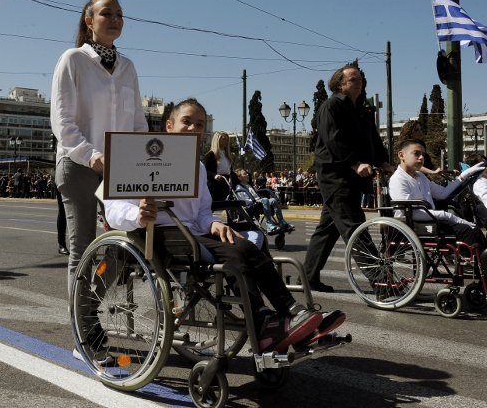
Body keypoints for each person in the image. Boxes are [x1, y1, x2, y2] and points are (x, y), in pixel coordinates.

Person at [104, 98, 344, 352]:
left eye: (199, 124)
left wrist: (213, 224)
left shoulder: (196, 167)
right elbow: (113, 210)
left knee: (247, 244)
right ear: (169, 126)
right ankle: (262, 320)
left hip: (192, 233)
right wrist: (138, 215)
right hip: (158, 234)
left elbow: (201, 213)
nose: (193, 128)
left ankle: (294, 314)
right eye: (186, 122)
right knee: (235, 254)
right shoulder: (135, 156)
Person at [51, 0, 149, 290]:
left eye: (119, 14)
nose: (115, 19)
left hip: (119, 168)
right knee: (82, 248)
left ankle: (95, 296)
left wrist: (143, 159)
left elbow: (138, 123)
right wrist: (91, 155)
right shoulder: (73, 59)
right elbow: (62, 120)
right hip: (78, 163)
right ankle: (84, 317)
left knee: (131, 239)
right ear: (89, 20)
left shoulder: (128, 67)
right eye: (107, 13)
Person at [303, 63, 392, 292]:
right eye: (353, 79)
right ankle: (381, 281)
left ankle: (308, 277)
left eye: (360, 79)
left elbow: (373, 139)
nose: (359, 82)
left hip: (352, 176)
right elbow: (334, 139)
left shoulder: (362, 109)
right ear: (340, 84)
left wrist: (384, 161)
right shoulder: (331, 106)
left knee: (327, 229)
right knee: (355, 226)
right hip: (336, 176)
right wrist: (355, 163)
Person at [388, 139, 487, 250]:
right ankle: (475, 259)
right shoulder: (398, 179)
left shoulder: (421, 176)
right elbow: (411, 213)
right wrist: (448, 216)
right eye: (416, 153)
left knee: (474, 229)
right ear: (401, 155)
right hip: (414, 224)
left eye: (423, 155)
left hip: (430, 221)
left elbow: (442, 193)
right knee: (468, 231)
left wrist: (464, 176)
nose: (421, 158)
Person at [232, 168, 294, 235]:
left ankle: (282, 222)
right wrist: (254, 200)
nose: (247, 175)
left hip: (259, 202)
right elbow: (244, 200)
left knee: (273, 200)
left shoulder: (249, 185)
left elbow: (256, 194)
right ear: (239, 178)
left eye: (247, 173)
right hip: (251, 205)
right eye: (244, 174)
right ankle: (269, 225)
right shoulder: (239, 188)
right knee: (265, 199)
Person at [203, 131, 234, 201]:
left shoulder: (228, 155)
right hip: (215, 185)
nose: (226, 141)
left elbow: (230, 170)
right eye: (224, 139)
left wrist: (231, 178)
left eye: (227, 139)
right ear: (217, 140)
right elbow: (205, 171)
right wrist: (214, 175)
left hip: (226, 184)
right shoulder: (210, 155)